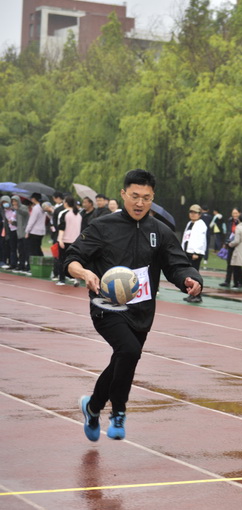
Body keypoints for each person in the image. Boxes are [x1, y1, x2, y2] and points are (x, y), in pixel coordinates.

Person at [64, 169, 203, 442]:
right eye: (135, 196)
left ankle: (92, 407)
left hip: (142, 310)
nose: (140, 203)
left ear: (153, 198)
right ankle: (119, 411)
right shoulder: (103, 226)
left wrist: (190, 278)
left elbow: (177, 264)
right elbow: (72, 258)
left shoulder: (160, 231)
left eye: (146, 198)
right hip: (107, 305)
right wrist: (84, 273)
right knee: (128, 351)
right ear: (123, 194)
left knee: (125, 357)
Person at [182, 204, 208, 303]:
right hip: (188, 251)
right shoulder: (190, 223)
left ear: (199, 214)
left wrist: (196, 252)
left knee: (195, 274)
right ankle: (192, 294)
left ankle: (198, 295)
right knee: (190, 275)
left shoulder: (201, 225)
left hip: (195, 253)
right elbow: (186, 238)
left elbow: (201, 240)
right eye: (191, 212)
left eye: (195, 213)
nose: (193, 214)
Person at [57, 196, 82, 286]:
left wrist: (60, 240)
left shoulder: (64, 213)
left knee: (62, 260)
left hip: (65, 240)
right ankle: (75, 278)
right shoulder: (78, 214)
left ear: (66, 203)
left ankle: (62, 279)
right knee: (74, 260)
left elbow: (61, 228)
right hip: (76, 241)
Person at [219, 208, 240, 288]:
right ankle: (227, 281)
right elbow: (228, 232)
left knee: (237, 264)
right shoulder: (230, 221)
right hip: (230, 243)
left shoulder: (241, 222)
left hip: (237, 245)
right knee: (229, 262)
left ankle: (238, 282)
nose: (235, 215)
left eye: (236, 213)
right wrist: (225, 242)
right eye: (233, 213)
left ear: (239, 213)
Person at [12, 195, 30, 274]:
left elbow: (26, 214)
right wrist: (13, 223)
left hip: (24, 232)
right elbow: (18, 222)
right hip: (19, 232)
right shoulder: (15, 210)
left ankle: (27, 266)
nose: (14, 203)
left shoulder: (23, 207)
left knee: (26, 250)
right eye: (13, 201)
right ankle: (21, 265)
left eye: (15, 201)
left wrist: (18, 209)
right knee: (20, 250)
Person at [25, 192, 46, 258]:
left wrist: (27, 231)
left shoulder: (36, 208)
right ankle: (41, 261)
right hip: (41, 231)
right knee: (38, 248)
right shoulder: (42, 207)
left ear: (34, 199)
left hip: (34, 231)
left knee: (33, 250)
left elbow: (32, 221)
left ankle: (34, 262)